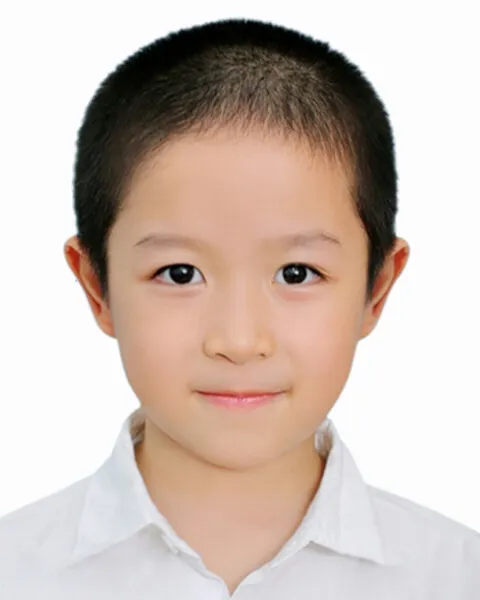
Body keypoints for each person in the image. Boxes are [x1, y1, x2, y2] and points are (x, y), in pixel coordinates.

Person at [0, 17, 478, 599]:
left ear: (376, 289)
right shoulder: (15, 573)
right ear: (97, 287)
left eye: (297, 273)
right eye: (180, 274)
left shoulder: (457, 576)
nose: (239, 340)